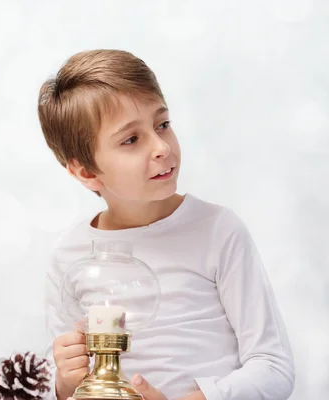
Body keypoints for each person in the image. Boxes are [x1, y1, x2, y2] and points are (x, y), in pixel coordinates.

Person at [38, 49, 295, 400]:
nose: (161, 147)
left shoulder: (218, 230)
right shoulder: (70, 255)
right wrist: (65, 383)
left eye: (162, 124)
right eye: (131, 139)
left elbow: (273, 366)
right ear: (86, 171)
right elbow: (65, 382)